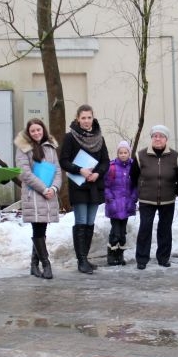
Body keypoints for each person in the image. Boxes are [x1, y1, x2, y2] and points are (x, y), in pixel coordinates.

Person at [60, 104, 110, 274]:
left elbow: (106, 161)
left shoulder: (99, 138)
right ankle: (81, 261)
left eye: (89, 117)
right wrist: (79, 170)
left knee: (90, 223)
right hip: (79, 185)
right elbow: (64, 161)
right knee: (81, 221)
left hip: (94, 184)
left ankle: (86, 258)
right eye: (83, 118)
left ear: (93, 118)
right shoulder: (70, 137)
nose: (87, 121)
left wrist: (98, 173)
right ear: (77, 119)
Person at [15, 118, 62, 279]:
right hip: (34, 194)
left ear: (43, 130)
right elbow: (24, 173)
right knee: (38, 229)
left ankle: (34, 265)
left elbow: (57, 171)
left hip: (49, 194)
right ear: (29, 133)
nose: (36, 133)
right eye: (33, 130)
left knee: (42, 229)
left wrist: (54, 188)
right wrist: (43, 188)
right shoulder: (23, 148)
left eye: (38, 129)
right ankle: (46, 264)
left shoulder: (50, 147)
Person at [134, 125, 178, 269]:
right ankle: (142, 259)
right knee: (145, 229)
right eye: (155, 136)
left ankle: (163, 258)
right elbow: (133, 176)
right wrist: (139, 190)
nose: (158, 139)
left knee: (165, 229)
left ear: (166, 139)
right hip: (147, 199)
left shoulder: (175, 156)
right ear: (151, 138)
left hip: (167, 199)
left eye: (161, 136)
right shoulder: (140, 155)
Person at [104, 140, 138, 266]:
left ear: (129, 153)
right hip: (114, 205)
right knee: (115, 231)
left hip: (127, 204)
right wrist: (110, 199)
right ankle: (111, 255)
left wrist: (134, 198)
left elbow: (136, 185)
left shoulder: (133, 166)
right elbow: (106, 186)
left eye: (125, 152)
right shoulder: (112, 167)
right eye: (121, 152)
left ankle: (120, 255)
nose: (123, 155)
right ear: (117, 153)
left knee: (122, 232)